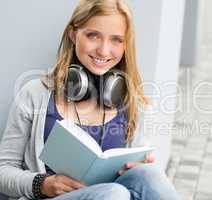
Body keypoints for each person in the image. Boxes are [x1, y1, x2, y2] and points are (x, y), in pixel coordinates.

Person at [0, 0, 180, 199]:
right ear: (73, 34)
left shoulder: (133, 104)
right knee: (114, 193)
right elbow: (3, 170)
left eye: (116, 40)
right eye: (93, 36)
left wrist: (139, 168)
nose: (103, 50)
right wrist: (42, 184)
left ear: (125, 45)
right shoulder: (35, 93)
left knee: (149, 174)